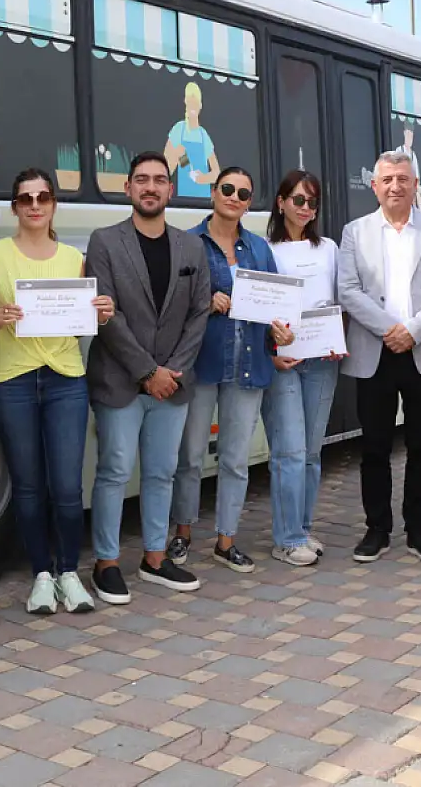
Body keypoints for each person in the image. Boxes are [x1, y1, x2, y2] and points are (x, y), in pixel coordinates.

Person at [0, 169, 115, 616]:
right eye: (25, 198)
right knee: (28, 485)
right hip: (12, 378)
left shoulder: (74, 259)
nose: (34, 205)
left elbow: (83, 324)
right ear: (15, 206)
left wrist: (101, 312)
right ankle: (41, 574)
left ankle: (69, 573)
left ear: (53, 204)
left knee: (67, 485)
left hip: (64, 378)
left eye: (42, 197)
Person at [86, 151, 210, 603]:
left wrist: (170, 372)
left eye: (160, 180)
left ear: (171, 190)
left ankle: (155, 558)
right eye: (142, 180)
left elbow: (199, 314)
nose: (151, 187)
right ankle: (106, 562)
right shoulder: (104, 242)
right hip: (121, 381)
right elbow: (106, 314)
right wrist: (147, 372)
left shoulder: (191, 247)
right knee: (115, 471)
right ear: (128, 189)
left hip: (173, 383)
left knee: (161, 472)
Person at [169, 166, 301, 572]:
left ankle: (226, 541)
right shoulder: (188, 244)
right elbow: (172, 304)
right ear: (212, 192)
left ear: (249, 203)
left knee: (235, 459)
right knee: (190, 457)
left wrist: (281, 334)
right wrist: (207, 301)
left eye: (243, 194)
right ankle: (183, 534)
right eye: (227, 189)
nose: (234, 198)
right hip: (202, 365)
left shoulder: (260, 248)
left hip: (248, 365)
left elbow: (276, 308)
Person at [338, 149, 421, 564]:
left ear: (415, 185)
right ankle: (377, 529)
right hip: (375, 352)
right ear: (375, 185)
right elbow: (348, 290)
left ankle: (419, 530)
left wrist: (413, 330)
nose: (395, 186)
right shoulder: (354, 232)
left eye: (403, 179)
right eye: (387, 179)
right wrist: (388, 329)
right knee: (373, 446)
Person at [262, 170, 343, 563]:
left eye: (312, 202)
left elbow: (336, 300)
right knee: (289, 451)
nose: (306, 208)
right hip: (283, 363)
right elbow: (257, 309)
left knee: (311, 452)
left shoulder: (328, 247)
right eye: (298, 200)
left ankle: (303, 530)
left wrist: (336, 341)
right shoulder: (263, 249)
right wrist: (270, 352)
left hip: (322, 362)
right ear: (280, 202)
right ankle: (287, 539)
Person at [163, 82, 220, 199]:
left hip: (203, 200)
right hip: (182, 198)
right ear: (185, 103)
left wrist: (202, 178)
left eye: (195, 103)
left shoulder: (203, 135)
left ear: (200, 105)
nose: (192, 106)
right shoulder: (179, 130)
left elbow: (216, 173)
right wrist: (176, 156)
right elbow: (164, 171)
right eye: (190, 102)